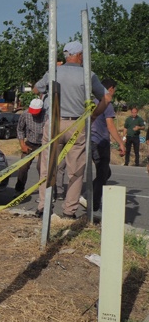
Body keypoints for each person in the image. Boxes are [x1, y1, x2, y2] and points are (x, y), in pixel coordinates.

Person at [33, 41, 112, 219]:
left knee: (48, 167)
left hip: (54, 122)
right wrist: (93, 115)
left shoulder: (54, 72)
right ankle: (69, 211)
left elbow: (36, 88)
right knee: (75, 170)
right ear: (79, 55)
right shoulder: (88, 75)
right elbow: (106, 98)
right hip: (77, 125)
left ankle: (43, 207)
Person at [88, 78, 125, 216]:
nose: (114, 92)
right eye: (114, 89)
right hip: (100, 143)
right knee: (102, 173)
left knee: (106, 172)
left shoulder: (92, 102)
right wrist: (121, 143)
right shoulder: (107, 103)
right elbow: (110, 125)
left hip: (90, 141)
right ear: (110, 89)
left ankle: (88, 194)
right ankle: (93, 204)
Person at [14, 98, 45, 196]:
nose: (34, 114)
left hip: (44, 144)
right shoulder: (25, 114)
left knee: (42, 168)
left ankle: (44, 192)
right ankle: (19, 190)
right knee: (23, 166)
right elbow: (20, 129)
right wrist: (22, 144)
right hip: (30, 143)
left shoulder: (47, 115)